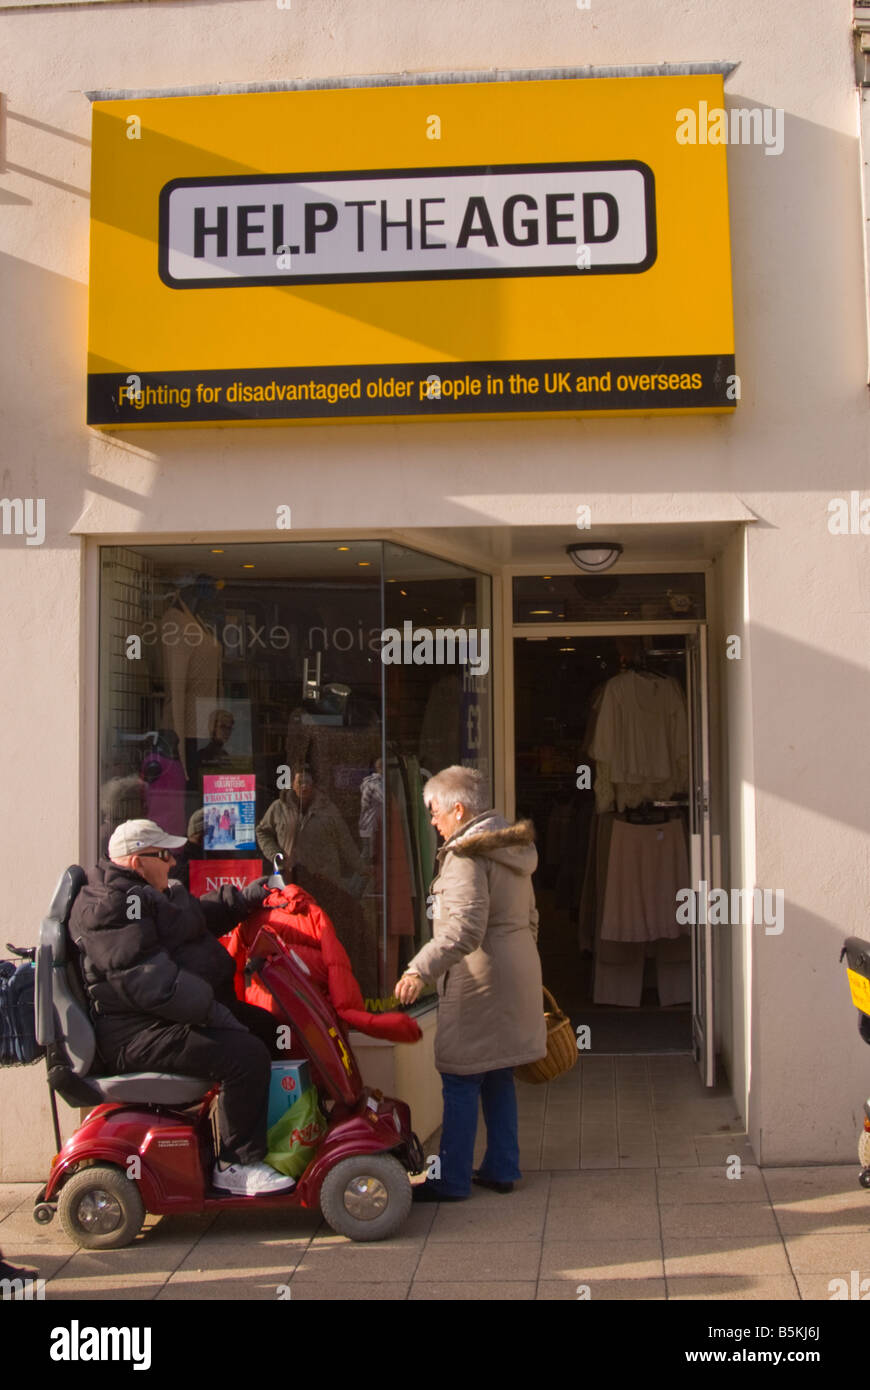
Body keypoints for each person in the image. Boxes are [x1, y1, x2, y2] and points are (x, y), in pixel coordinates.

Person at [69, 818, 293, 1197]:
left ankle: (270, 1137)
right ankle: (236, 1164)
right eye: (164, 856)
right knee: (246, 1055)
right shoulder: (116, 907)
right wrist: (216, 1014)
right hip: (135, 1034)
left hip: (161, 1018)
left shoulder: (140, 894)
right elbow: (151, 984)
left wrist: (246, 898)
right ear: (138, 861)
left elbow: (191, 918)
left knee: (268, 1030)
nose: (174, 862)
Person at [394, 767, 546, 1201]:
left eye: (434, 811)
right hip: (517, 971)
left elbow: (462, 930)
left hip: (478, 980)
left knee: (460, 1076)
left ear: (458, 809)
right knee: (498, 1072)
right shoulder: (513, 846)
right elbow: (530, 918)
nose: (432, 822)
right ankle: (502, 1166)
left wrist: (418, 969)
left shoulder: (465, 856)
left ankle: (452, 1177)